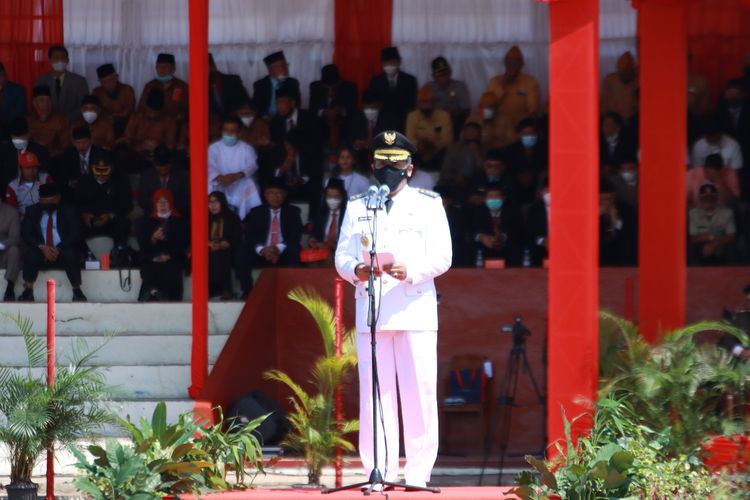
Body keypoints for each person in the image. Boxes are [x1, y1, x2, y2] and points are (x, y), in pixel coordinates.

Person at [335, 130, 451, 489]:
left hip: (414, 306)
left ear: (410, 168)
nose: (389, 169)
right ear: (372, 166)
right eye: (383, 163)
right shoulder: (358, 205)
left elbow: (443, 256)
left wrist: (412, 270)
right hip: (373, 309)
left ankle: (417, 474)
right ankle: (378, 472)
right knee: (376, 397)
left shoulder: (429, 204)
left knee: (419, 394)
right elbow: (342, 255)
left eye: (396, 163)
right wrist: (356, 270)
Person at [236, 178, 303, 298]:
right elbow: (250, 235)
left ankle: (293, 292)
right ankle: (247, 291)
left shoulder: (293, 212)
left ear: (284, 195)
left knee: (295, 250)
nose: (275, 197)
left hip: (283, 251)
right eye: (271, 193)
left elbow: (295, 235)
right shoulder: (256, 212)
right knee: (242, 252)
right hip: (262, 251)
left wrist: (277, 248)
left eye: (278, 193)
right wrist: (262, 249)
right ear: (265, 195)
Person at [19, 182, 86, 302]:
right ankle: (28, 290)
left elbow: (76, 233)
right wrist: (42, 247)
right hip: (41, 250)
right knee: (31, 253)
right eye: (45, 201)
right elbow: (26, 234)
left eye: (52, 200)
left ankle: (77, 290)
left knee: (70, 253)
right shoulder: (32, 211)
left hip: (62, 249)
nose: (49, 204)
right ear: (40, 200)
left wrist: (59, 248)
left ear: (59, 198)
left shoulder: (69, 210)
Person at [137, 189, 189, 301]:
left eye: (165, 202)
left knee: (170, 268)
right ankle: (154, 292)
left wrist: (169, 255)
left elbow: (182, 243)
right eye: (159, 202)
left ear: (170, 203)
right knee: (147, 267)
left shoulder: (179, 221)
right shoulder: (147, 221)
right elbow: (143, 245)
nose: (162, 205)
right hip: (153, 256)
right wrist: (153, 238)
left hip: (173, 256)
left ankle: (164, 296)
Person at [208, 116, 262, 220]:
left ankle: (243, 219)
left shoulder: (247, 148)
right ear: (222, 131)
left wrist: (236, 176)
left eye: (232, 131)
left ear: (239, 132)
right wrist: (219, 177)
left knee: (250, 183)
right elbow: (209, 166)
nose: (229, 134)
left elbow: (252, 165)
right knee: (208, 185)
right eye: (226, 130)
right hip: (220, 182)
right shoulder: (213, 148)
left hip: (239, 181)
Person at [75, 155, 132, 252]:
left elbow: (127, 205)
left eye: (105, 171)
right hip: (89, 221)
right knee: (74, 224)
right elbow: (76, 203)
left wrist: (111, 215)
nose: (101, 175)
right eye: (98, 171)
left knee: (123, 223)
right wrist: (84, 214)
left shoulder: (120, 181)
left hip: (111, 221)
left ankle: (119, 253)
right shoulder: (83, 182)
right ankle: (82, 255)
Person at [486, 46, 541, 131]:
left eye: (516, 62)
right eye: (510, 62)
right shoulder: (495, 81)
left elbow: (533, 109)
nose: (513, 65)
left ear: (522, 64)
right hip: (497, 126)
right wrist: (503, 88)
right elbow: (488, 108)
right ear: (505, 63)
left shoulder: (530, 82)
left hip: (519, 127)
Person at [469, 182, 523, 266]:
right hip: (484, 247)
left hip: (507, 248)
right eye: (490, 197)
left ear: (503, 198)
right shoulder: (478, 211)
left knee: (515, 247)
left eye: (497, 196)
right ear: (485, 199)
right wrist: (481, 237)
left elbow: (518, 230)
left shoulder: (513, 211)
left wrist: (502, 237)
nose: (493, 199)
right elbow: (471, 230)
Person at [367, 47, 418, 132]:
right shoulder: (376, 81)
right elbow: (373, 105)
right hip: (382, 125)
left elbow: (411, 105)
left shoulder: (409, 80)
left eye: (392, 62)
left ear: (399, 62)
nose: (389, 66)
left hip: (403, 125)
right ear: (382, 64)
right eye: (386, 63)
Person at [52, 125, 108, 201]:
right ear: (73, 142)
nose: (81, 145)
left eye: (84, 142)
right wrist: (70, 182)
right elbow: (62, 175)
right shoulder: (67, 154)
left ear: (90, 141)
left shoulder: (100, 154)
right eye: (78, 143)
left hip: (96, 190)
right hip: (74, 192)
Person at [124, 87, 178, 165]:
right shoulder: (136, 117)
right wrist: (141, 146)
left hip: (159, 156)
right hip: (138, 155)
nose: (152, 115)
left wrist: (157, 147)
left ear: (161, 110)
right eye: (150, 111)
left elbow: (171, 144)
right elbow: (127, 140)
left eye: (155, 112)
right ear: (146, 107)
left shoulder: (168, 121)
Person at [405, 85, 453, 172]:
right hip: (419, 150)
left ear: (434, 103)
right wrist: (421, 145)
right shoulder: (412, 116)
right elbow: (410, 139)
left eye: (429, 104)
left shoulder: (444, 116)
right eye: (423, 104)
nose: (426, 107)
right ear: (418, 104)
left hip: (437, 150)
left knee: (448, 153)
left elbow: (447, 140)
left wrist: (432, 146)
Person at [35, 45, 89, 121]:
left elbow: (85, 106)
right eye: (56, 58)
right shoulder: (42, 81)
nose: (60, 61)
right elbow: (37, 105)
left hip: (72, 124)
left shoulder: (79, 81)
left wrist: (65, 118)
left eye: (63, 58)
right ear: (50, 60)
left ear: (67, 60)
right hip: (48, 123)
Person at [688, 183, 737, 265]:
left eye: (711, 199)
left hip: (720, 247)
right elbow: (693, 237)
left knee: (731, 249)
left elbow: (731, 236)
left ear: (716, 199)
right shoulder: (693, 214)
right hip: (701, 248)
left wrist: (715, 243)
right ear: (700, 199)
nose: (708, 202)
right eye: (705, 199)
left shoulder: (727, 213)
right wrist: (708, 238)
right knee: (691, 248)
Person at [0, 118, 50, 194]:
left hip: (34, 195)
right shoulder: (3, 151)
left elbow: (44, 177)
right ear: (11, 135)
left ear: (28, 134)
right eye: (15, 137)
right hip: (8, 194)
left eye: (21, 137)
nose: (18, 140)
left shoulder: (40, 151)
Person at [137, 53, 189, 126]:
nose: (162, 70)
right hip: (152, 126)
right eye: (159, 67)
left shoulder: (182, 86)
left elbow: (187, 110)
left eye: (165, 67)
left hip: (175, 126)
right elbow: (141, 109)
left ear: (173, 69)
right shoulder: (150, 86)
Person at [208, 191, 242, 300]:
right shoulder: (204, 218)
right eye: (210, 202)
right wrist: (209, 244)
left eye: (216, 202)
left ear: (222, 202)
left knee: (222, 254)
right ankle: (212, 288)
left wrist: (227, 243)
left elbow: (237, 237)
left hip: (228, 249)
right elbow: (198, 235)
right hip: (209, 248)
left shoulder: (232, 217)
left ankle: (226, 290)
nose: (213, 206)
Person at [139, 144, 189, 216]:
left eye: (165, 164)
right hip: (153, 215)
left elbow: (186, 200)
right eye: (159, 165)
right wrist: (159, 205)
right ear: (154, 163)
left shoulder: (182, 175)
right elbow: (142, 200)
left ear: (171, 162)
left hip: (176, 215)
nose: (163, 168)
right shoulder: (146, 176)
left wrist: (169, 203)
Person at [439, 121, 484, 200]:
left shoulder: (485, 149)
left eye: (474, 132)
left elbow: (485, 171)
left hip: (475, 184)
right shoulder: (453, 148)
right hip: (453, 183)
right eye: (469, 131)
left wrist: (476, 154)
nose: (471, 134)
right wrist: (455, 178)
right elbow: (445, 170)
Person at [428, 57, 470, 139]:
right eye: (440, 75)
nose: (444, 77)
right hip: (434, 123)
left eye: (446, 73)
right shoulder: (429, 88)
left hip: (455, 122)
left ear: (450, 73)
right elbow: (423, 109)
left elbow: (466, 110)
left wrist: (453, 112)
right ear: (433, 76)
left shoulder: (459, 86)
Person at [599, 180, 637, 266]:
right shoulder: (587, 211)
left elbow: (630, 234)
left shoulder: (625, 209)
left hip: (621, 258)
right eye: (602, 200)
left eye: (610, 199)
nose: (607, 202)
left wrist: (616, 223)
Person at [92, 63, 136, 138]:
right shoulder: (97, 92)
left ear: (116, 77)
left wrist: (113, 116)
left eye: (110, 80)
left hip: (126, 125)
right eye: (104, 82)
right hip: (106, 125)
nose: (108, 84)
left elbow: (128, 110)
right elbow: (96, 112)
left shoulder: (127, 90)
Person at [252, 51, 301, 117]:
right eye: (282, 66)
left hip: (285, 118)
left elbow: (296, 105)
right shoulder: (260, 84)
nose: (286, 69)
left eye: (286, 65)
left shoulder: (292, 83)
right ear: (271, 69)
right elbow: (256, 107)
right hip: (265, 119)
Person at [28, 85, 70, 157]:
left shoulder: (61, 120)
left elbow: (66, 147)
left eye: (48, 100)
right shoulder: (28, 121)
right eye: (42, 100)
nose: (46, 104)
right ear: (34, 103)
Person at [308, 178, 347, 257]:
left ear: (342, 197)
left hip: (342, 251)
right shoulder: (321, 213)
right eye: (329, 197)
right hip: (321, 250)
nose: (332, 200)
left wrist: (333, 246)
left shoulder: (348, 215)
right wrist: (312, 240)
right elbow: (314, 234)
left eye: (336, 197)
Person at [6, 151, 52, 218]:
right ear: (21, 169)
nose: (31, 171)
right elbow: (12, 212)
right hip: (23, 221)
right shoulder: (12, 186)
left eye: (34, 167)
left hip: (44, 218)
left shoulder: (45, 179)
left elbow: (53, 201)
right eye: (27, 168)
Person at [208, 53, 250, 121]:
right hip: (213, 124)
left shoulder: (232, 80)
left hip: (236, 121)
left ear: (213, 67)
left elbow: (245, 102)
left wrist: (236, 113)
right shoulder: (199, 88)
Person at [601, 51, 639, 123]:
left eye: (627, 69)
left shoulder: (639, 81)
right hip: (614, 121)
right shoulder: (610, 80)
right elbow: (604, 104)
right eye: (622, 70)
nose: (625, 73)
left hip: (633, 121)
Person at [0, 194, 21, 301]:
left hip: (3, 254)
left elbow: (15, 238)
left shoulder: (12, 212)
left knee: (14, 250)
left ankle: (10, 286)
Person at [525, 178, 550, 266]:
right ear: (540, 192)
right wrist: (543, 241)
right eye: (546, 192)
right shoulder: (534, 210)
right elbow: (530, 231)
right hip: (540, 245)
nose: (549, 195)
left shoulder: (567, 209)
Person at [0, 63, 27, 136]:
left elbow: (20, 113)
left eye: (1, 75)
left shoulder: (18, 90)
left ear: (5, 75)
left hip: (14, 131)